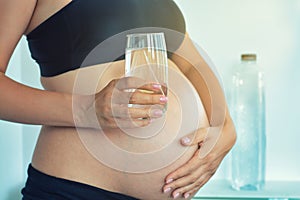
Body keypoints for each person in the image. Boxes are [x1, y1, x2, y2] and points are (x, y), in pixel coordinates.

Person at [0, 0, 236, 199]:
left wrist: (225, 124)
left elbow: (192, 64)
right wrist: (87, 110)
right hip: (77, 187)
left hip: (176, 189)